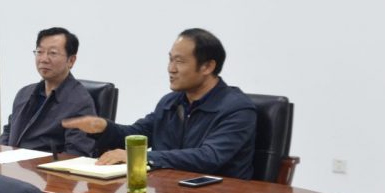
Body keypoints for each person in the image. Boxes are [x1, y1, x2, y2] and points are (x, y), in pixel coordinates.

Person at [62, 28, 257, 179]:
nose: (171, 69)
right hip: (170, 192)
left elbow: (209, 157)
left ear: (207, 66)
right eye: (170, 60)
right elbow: (137, 134)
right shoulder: (171, 102)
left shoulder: (237, 109)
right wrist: (104, 128)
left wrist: (140, 157)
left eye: (179, 61)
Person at [0, 26, 97, 156]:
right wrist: (1, 156)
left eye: (53, 53)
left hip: (45, 168)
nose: (44, 59)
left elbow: (76, 154)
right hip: (11, 165)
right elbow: (8, 131)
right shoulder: (24, 93)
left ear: (71, 60)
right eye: (40, 52)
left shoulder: (79, 102)